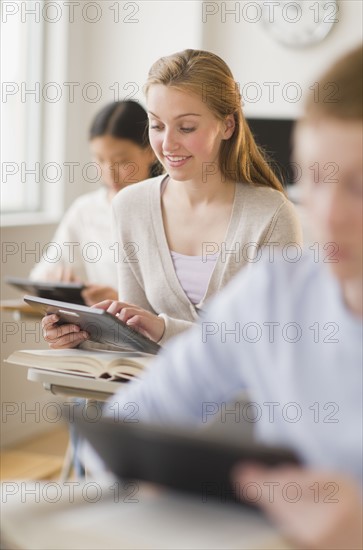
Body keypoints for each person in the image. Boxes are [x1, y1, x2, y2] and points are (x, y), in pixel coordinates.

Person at [79, 45, 361, 548]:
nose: (331, 216)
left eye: (360, 187)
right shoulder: (277, 291)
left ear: (227, 125)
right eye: (315, 178)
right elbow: (128, 427)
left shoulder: (267, 217)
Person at [42, 49, 302, 347]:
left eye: (186, 127)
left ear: (227, 125)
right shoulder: (130, 206)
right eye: (157, 125)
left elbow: (276, 341)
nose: (167, 144)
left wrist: (165, 329)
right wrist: (80, 337)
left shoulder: (271, 215)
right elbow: (134, 339)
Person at [30, 100, 160, 305]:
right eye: (99, 160)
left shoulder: (168, 210)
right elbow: (40, 275)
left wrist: (121, 301)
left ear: (151, 151)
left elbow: (179, 310)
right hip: (97, 332)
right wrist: (55, 280)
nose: (110, 174)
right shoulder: (86, 210)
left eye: (122, 161)